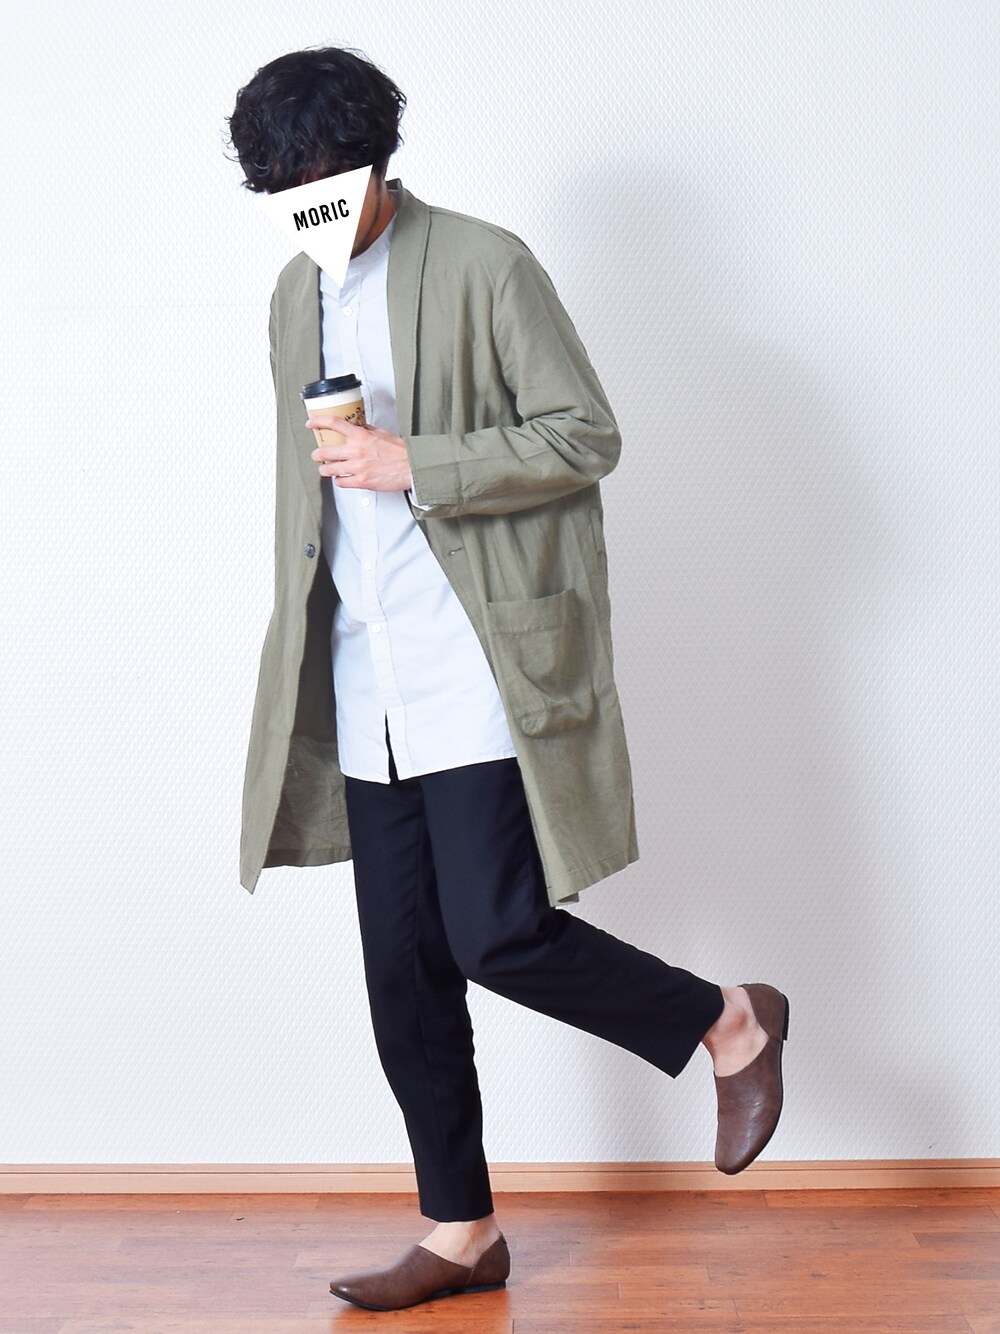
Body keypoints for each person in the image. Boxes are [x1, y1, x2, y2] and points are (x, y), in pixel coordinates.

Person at [225, 46, 789, 1313]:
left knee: (496, 932)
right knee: (401, 968)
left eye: (325, 179)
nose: (309, 205)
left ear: (375, 162)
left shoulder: (485, 262)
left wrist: (414, 461)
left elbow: (585, 433)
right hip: (361, 670)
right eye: (285, 189)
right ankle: (462, 1228)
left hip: (476, 662)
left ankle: (727, 1019)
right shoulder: (291, 296)